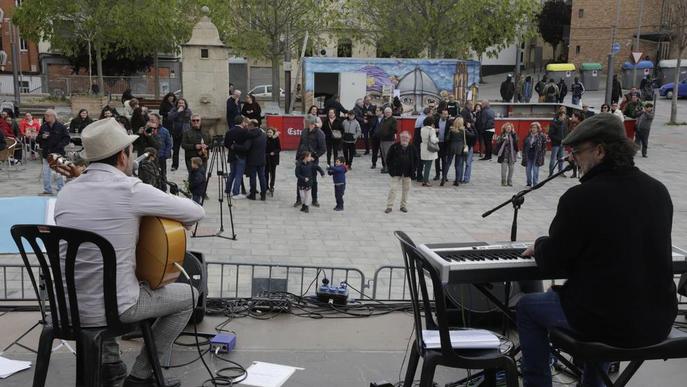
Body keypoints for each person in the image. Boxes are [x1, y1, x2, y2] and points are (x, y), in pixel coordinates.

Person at [517, 113, 677, 387]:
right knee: (601, 302)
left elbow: (554, 263)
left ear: (600, 151)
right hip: (656, 320)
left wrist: (541, 245)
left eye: (577, 152)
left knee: (528, 308)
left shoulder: (581, 197)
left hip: (605, 321)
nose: (573, 159)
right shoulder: (658, 191)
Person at [54, 117, 205, 387]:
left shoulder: (67, 191)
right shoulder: (130, 189)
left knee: (101, 277)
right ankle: (141, 375)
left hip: (66, 310)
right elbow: (196, 212)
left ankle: (110, 365)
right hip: (115, 310)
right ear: (123, 156)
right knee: (189, 296)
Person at [294, 115, 326, 207]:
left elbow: (323, 149)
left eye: (305, 122)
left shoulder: (319, 133)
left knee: (313, 180)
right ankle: (299, 199)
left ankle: (314, 199)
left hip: (312, 160)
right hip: (302, 159)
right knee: (300, 179)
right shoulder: (304, 131)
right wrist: (297, 158)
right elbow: (300, 145)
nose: (304, 123)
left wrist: (314, 157)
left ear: (311, 124)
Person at [38, 109, 70, 195]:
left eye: (47, 115)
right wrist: (42, 137)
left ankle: (61, 190)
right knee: (46, 174)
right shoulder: (43, 126)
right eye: (45, 115)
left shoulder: (61, 127)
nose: (45, 117)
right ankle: (47, 190)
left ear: (53, 116)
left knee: (59, 173)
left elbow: (67, 138)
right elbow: (38, 139)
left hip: (58, 153)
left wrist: (60, 145)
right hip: (47, 153)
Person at [385, 131, 417, 213]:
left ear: (410, 138)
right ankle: (389, 206)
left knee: (406, 190)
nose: (404, 139)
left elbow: (416, 160)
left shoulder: (412, 147)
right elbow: (388, 159)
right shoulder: (394, 146)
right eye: (403, 137)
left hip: (408, 172)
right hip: (396, 172)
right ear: (400, 138)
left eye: (406, 137)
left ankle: (403, 206)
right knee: (393, 189)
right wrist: (390, 170)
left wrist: (414, 170)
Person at [224, 116, 257, 199]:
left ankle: (227, 191)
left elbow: (225, 144)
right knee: (239, 174)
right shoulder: (244, 131)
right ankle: (236, 192)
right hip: (241, 155)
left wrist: (232, 146)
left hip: (231, 155)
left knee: (232, 174)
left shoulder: (229, 131)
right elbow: (253, 134)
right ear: (242, 122)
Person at [242, 120, 268, 200]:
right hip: (262, 159)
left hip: (252, 159)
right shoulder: (263, 135)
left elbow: (246, 147)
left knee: (253, 177)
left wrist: (236, 146)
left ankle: (252, 194)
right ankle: (263, 194)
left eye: (249, 125)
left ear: (252, 125)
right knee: (262, 177)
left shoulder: (250, 135)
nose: (248, 127)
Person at [443, 117, 471, 186]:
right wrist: (470, 128)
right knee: (457, 165)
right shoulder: (464, 131)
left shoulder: (451, 130)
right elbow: (472, 135)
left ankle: (443, 178)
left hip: (451, 147)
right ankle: (457, 181)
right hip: (460, 148)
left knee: (448, 163)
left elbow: (446, 139)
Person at [167, 98, 192, 171]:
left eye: (182, 103)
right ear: (177, 104)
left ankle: (189, 165)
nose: (181, 104)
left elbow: (189, 119)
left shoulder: (188, 111)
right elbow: (170, 118)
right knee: (175, 150)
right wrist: (178, 112)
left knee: (187, 150)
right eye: (179, 103)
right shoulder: (174, 110)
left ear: (185, 104)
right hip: (176, 132)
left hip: (185, 132)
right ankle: (175, 165)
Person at [149, 113, 172, 186]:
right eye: (150, 120)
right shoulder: (147, 130)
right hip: (149, 157)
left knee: (162, 174)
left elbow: (169, 144)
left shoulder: (164, 131)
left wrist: (166, 154)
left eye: (153, 120)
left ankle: (163, 187)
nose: (151, 122)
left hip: (161, 156)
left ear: (158, 121)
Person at [522, 122, 547, 186]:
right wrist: (524, 154)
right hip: (528, 155)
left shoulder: (542, 136)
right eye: (532, 127)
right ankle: (529, 183)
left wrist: (542, 155)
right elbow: (524, 146)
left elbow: (544, 147)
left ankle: (535, 184)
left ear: (538, 129)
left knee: (535, 170)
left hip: (537, 156)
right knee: (528, 170)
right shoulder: (527, 136)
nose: (533, 129)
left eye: (535, 127)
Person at [495, 122, 518, 186]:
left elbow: (516, 143)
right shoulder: (502, 135)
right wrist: (503, 139)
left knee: (511, 169)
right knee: (504, 169)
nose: (508, 129)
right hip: (504, 154)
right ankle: (503, 181)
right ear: (504, 128)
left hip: (512, 155)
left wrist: (513, 134)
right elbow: (497, 143)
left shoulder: (514, 135)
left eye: (509, 128)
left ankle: (509, 181)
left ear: (511, 128)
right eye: (507, 128)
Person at [460, 102, 477, 183]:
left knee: (464, 162)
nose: (472, 106)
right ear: (468, 105)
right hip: (467, 144)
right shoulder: (465, 112)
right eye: (471, 105)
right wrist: (471, 126)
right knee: (467, 163)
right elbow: (474, 135)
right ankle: (465, 178)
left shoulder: (468, 112)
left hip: (466, 143)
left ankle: (462, 178)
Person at [419, 116, 439, 187]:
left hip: (424, 147)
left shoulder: (422, 129)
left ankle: (425, 179)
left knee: (425, 164)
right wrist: (437, 139)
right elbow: (433, 140)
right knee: (428, 166)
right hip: (430, 148)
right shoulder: (432, 130)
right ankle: (425, 181)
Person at [433, 109, 452, 182]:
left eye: (446, 114)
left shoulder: (449, 122)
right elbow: (432, 129)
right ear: (441, 114)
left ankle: (444, 175)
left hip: (445, 143)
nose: (445, 116)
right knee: (437, 160)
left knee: (444, 160)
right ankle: (437, 175)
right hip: (437, 142)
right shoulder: (436, 120)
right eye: (444, 114)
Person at [378, 107, 398, 173]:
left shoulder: (393, 120)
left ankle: (388, 168)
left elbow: (395, 130)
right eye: (386, 112)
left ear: (391, 113)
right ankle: (385, 167)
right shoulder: (384, 119)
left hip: (389, 140)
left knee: (388, 155)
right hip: (382, 139)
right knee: (383, 155)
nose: (387, 113)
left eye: (388, 112)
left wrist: (387, 134)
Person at [567, 111, 585, 178]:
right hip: (573, 145)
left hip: (579, 145)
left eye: (573, 116)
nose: (572, 118)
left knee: (579, 159)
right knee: (571, 159)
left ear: (577, 117)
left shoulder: (581, 125)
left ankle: (580, 173)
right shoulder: (572, 124)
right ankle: (575, 173)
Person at [548, 112, 567, 177]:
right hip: (555, 144)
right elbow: (550, 134)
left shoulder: (564, 124)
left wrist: (565, 140)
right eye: (563, 116)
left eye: (564, 116)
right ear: (559, 116)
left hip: (562, 144)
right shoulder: (553, 123)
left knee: (561, 158)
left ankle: (560, 171)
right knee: (553, 159)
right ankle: (551, 172)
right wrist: (559, 140)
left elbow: (565, 133)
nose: (564, 118)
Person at [265, 127, 281, 195]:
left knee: (273, 173)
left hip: (273, 158)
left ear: (273, 133)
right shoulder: (266, 139)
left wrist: (274, 152)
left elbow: (279, 148)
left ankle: (272, 186)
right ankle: (266, 186)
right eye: (268, 132)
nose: (269, 134)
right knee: (266, 173)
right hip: (266, 158)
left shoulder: (276, 138)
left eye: (270, 132)